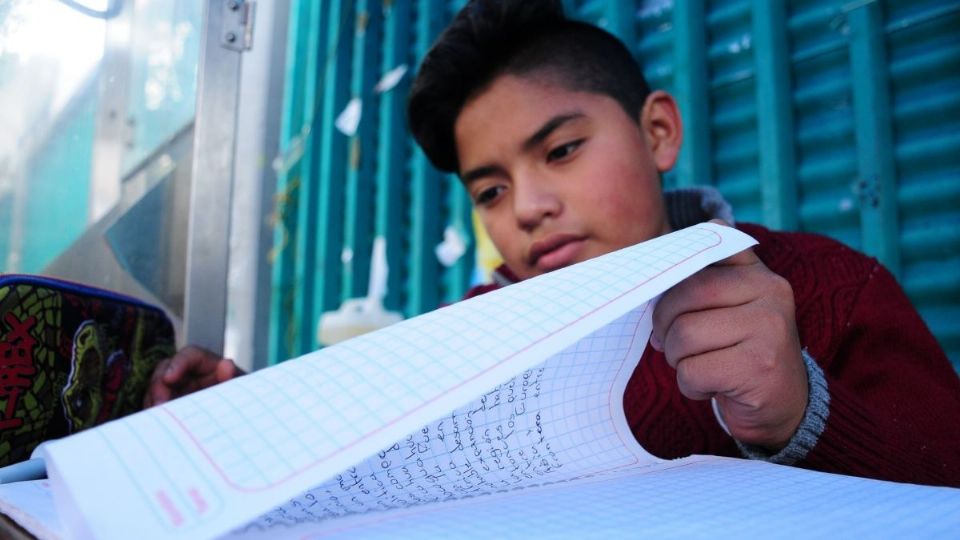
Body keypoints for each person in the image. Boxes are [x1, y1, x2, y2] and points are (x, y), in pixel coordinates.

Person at [146, 0, 960, 487]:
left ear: (659, 132)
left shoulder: (823, 290)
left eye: (562, 150)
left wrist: (801, 415)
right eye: (490, 190)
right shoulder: (467, 335)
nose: (527, 209)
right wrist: (242, 423)